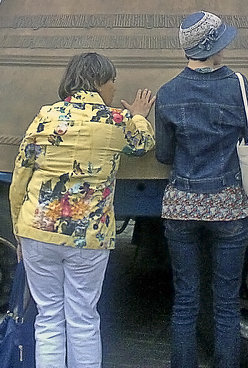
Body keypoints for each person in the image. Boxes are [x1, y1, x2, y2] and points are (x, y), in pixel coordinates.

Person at [9, 52, 155, 368]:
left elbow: (20, 176)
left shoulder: (45, 117)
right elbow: (144, 143)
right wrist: (140, 115)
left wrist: (18, 231)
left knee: (48, 316)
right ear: (100, 82)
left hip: (37, 228)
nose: (115, 87)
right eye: (113, 80)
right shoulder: (118, 121)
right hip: (89, 237)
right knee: (83, 318)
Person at [155, 11, 248, 368]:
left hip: (181, 206)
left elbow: (165, 155)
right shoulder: (239, 87)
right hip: (228, 205)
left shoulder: (167, 93)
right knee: (225, 303)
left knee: (186, 300)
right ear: (213, 47)